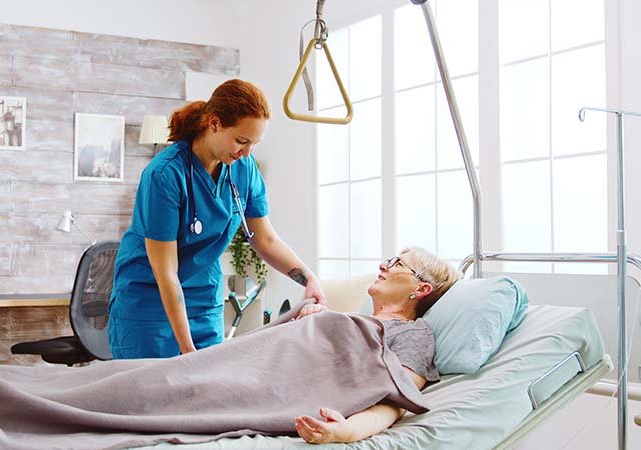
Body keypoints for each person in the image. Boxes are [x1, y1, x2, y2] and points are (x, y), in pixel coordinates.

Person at [109, 79, 326, 359]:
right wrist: (187, 350)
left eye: (254, 144)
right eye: (241, 141)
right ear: (214, 123)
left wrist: (308, 278)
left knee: (206, 392)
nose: (246, 153)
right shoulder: (165, 175)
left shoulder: (243, 169)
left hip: (203, 299)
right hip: (151, 301)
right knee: (147, 394)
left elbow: (265, 239)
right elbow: (166, 273)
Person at [293, 246, 461, 444]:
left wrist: (348, 431)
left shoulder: (412, 333)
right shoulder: (349, 319)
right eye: (389, 261)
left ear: (421, 289)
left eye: (398, 264)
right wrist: (309, 321)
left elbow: (398, 400)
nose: (382, 266)